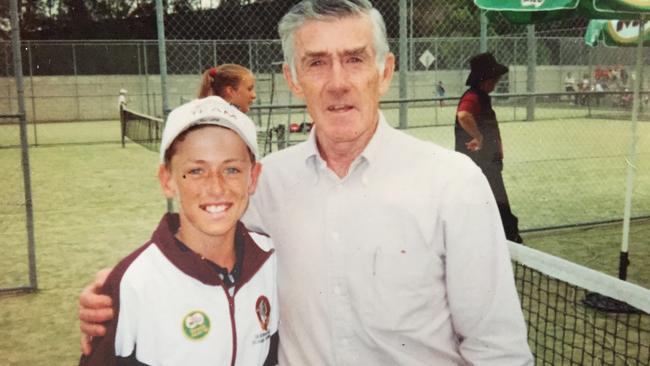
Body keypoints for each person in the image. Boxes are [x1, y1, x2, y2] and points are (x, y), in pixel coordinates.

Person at [79, 1, 533, 365]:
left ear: (386, 71)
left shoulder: (454, 184)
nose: (338, 83)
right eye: (316, 63)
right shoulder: (260, 186)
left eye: (355, 59)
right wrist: (119, 291)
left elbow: (497, 349)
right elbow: (196, 263)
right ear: (293, 78)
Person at [79, 96, 278, 365]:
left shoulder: (271, 261)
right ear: (167, 180)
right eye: (196, 171)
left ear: (252, 178)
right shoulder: (135, 282)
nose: (216, 187)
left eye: (231, 169)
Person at [455, 52, 523, 244]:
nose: (497, 82)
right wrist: (478, 136)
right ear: (486, 79)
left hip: (485, 163)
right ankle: (511, 240)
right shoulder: (473, 97)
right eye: (495, 78)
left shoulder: (481, 97)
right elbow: (463, 115)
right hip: (481, 164)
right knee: (499, 204)